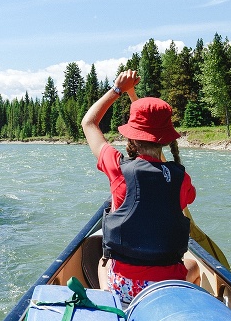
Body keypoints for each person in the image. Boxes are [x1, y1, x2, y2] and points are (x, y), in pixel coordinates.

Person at [81, 69, 198, 304]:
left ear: (132, 138)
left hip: (125, 287)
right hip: (166, 288)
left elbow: (89, 122)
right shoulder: (180, 178)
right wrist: (134, 97)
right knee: (194, 265)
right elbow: (162, 173)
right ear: (166, 139)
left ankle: (111, 300)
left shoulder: (117, 168)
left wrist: (118, 90)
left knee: (103, 263)